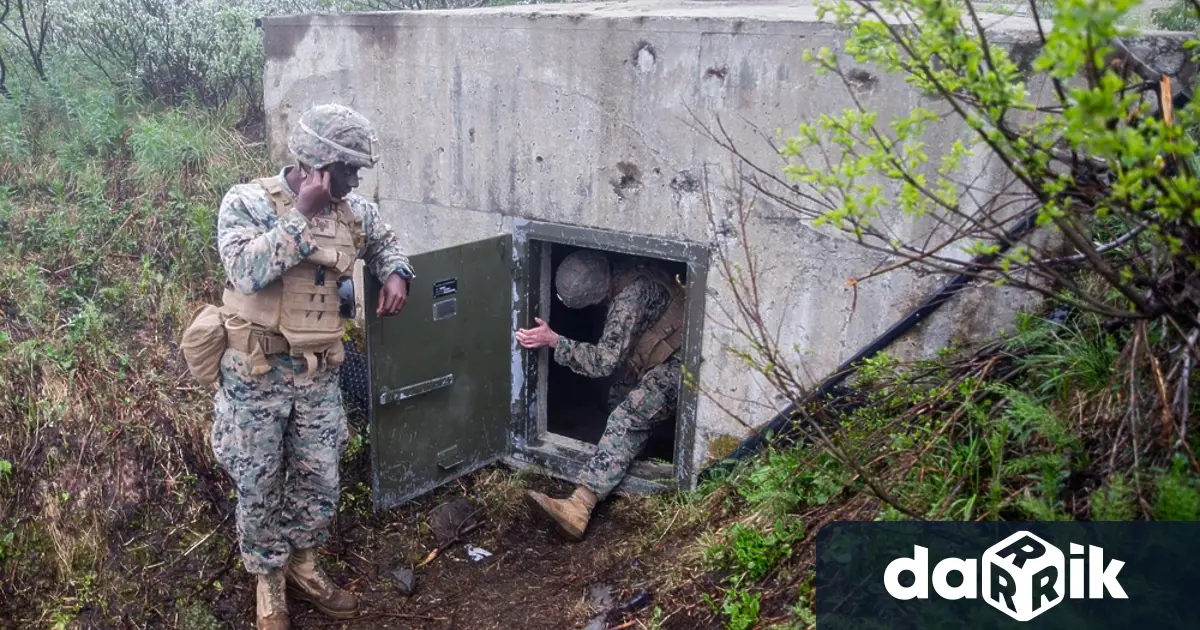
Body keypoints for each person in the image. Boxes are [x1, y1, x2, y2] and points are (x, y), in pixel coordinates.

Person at [210, 104, 414, 629]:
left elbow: (386, 241)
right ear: (320, 164)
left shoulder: (353, 212)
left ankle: (303, 564)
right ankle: (269, 582)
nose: (356, 179)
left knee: (319, 477)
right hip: (257, 373)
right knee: (259, 482)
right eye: (349, 170)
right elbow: (245, 270)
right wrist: (300, 215)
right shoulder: (249, 201)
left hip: (318, 375)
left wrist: (397, 273)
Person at [515, 249, 685, 541]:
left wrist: (555, 341)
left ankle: (581, 505)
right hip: (666, 353)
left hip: (682, 364)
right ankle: (624, 462)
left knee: (627, 416)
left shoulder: (628, 301)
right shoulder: (625, 270)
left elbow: (604, 362)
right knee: (618, 397)